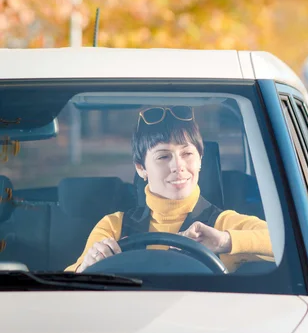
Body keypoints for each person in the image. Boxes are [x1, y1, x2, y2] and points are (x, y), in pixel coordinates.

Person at [65, 105, 273, 273]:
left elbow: (293, 243)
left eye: (187, 154)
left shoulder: (222, 224)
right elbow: (69, 283)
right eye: (163, 156)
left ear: (200, 159)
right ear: (141, 168)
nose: (178, 166)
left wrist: (225, 241)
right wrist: (85, 267)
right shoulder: (114, 226)